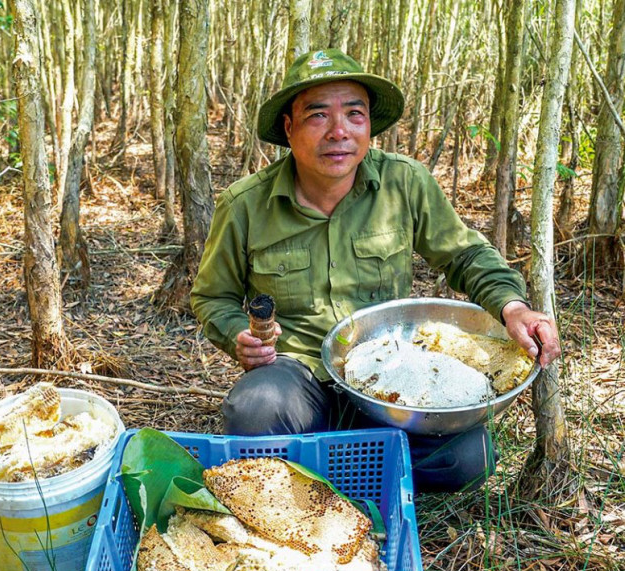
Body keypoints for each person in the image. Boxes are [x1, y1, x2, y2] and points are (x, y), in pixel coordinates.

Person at [191, 49, 561, 493]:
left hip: (390, 370)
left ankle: (322, 464)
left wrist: (513, 306)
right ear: (288, 128)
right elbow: (212, 296)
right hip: (297, 373)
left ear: (369, 127)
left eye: (354, 114)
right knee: (254, 411)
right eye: (318, 115)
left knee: (469, 459)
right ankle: (358, 462)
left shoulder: (404, 183)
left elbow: (464, 254)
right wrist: (239, 336)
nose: (339, 131)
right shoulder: (245, 205)